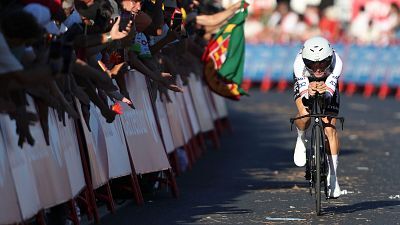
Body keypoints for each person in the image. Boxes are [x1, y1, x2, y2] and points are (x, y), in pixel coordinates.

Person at [292, 36, 342, 198]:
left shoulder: (337, 63)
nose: (318, 67)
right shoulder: (299, 65)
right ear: (305, 60)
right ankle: (301, 137)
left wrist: (325, 91)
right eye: (313, 63)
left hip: (328, 81)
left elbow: (331, 90)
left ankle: (333, 177)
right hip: (305, 80)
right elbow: (304, 94)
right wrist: (308, 91)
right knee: (305, 114)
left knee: (329, 127)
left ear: (329, 58)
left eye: (322, 63)